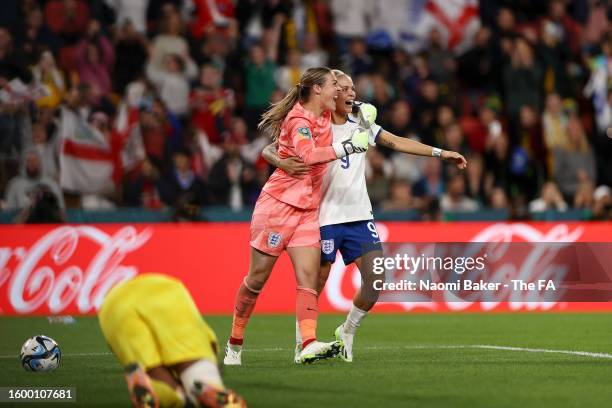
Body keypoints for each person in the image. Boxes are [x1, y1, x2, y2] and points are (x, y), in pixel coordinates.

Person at [263, 70, 467, 362]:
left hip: (359, 214)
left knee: (376, 280)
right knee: (316, 283)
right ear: (330, 94)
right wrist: (281, 161)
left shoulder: (362, 121)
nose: (350, 94)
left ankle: (346, 330)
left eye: (352, 89)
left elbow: (396, 142)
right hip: (323, 215)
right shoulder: (313, 123)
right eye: (343, 88)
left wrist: (441, 152)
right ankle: (302, 343)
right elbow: (271, 147)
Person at [223, 67, 369, 366]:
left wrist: (367, 114)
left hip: (307, 211)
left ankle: (308, 343)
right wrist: (348, 147)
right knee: (256, 280)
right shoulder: (298, 118)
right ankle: (234, 344)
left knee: (308, 280)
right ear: (317, 89)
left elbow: (270, 148)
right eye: (333, 86)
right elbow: (307, 155)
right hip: (278, 207)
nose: (338, 92)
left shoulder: (327, 114)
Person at [99, 273, 246, 408]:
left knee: (151, 367)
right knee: (192, 362)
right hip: (163, 290)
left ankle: (169, 393)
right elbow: (209, 344)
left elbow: (211, 344)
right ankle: (202, 384)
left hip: (112, 306)